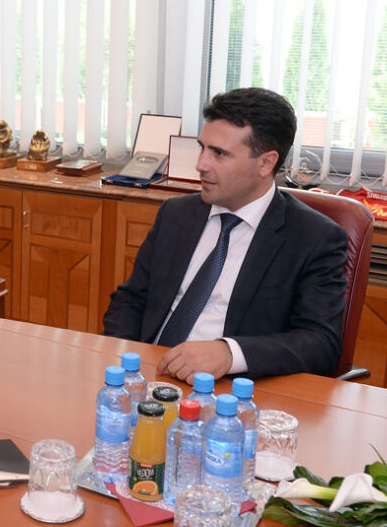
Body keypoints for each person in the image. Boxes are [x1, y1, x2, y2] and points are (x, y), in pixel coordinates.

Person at [102, 87, 347, 382]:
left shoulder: (314, 238)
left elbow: (321, 342)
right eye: (202, 148)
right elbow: (131, 299)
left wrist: (230, 353)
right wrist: (125, 363)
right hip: (147, 374)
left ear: (266, 163)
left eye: (219, 153)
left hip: (227, 389)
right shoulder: (176, 214)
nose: (201, 164)